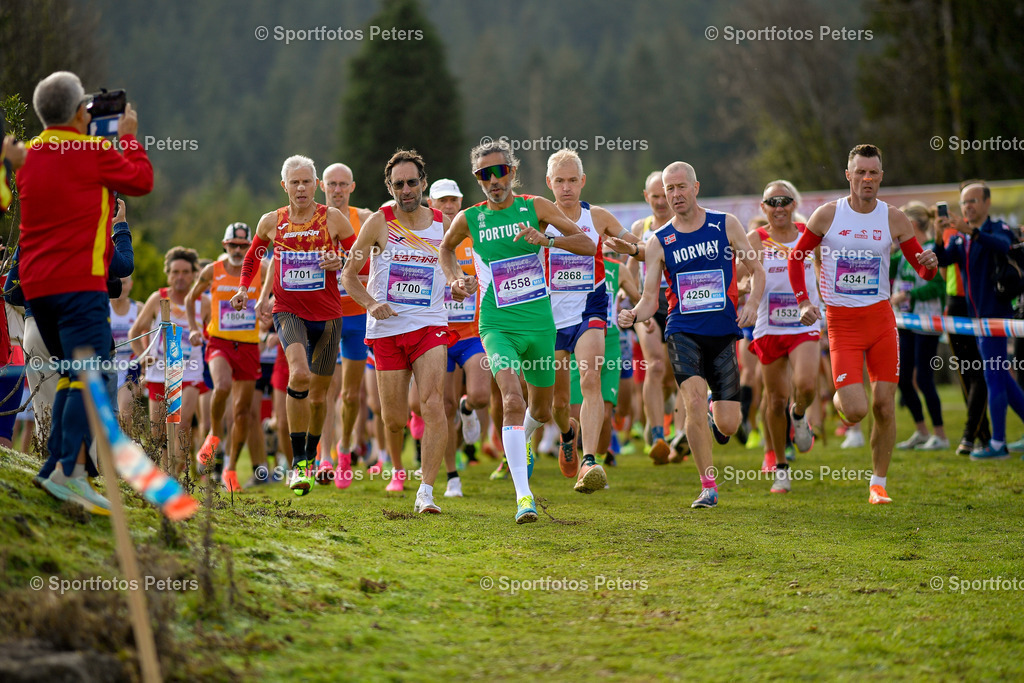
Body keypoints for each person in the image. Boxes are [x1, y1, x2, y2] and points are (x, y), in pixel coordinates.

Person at [17, 71, 152, 513]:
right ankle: (65, 473)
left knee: (73, 376)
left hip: (37, 287)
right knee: (89, 374)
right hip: (79, 284)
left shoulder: (28, 154)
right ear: (81, 112)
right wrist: (127, 137)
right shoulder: (93, 152)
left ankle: (63, 469)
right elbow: (141, 180)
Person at [440, 140, 595, 523]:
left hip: (540, 325)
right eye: (485, 174)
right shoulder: (470, 218)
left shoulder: (536, 207)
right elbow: (446, 250)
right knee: (512, 399)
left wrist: (548, 240)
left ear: (512, 172)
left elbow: (588, 244)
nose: (494, 180)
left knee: (541, 410)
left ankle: (541, 435)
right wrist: (456, 278)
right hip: (497, 324)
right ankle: (524, 496)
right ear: (478, 179)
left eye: (500, 171)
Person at [788, 144, 938, 504]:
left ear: (881, 177)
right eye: (860, 172)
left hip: (881, 320)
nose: (867, 179)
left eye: (873, 173)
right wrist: (803, 301)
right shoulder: (828, 215)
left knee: (884, 405)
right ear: (848, 175)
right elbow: (796, 257)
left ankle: (878, 483)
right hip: (843, 324)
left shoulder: (894, 218)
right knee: (855, 411)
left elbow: (921, 269)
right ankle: (825, 403)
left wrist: (930, 265)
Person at [620, 161, 765, 509]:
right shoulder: (659, 240)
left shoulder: (725, 224)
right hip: (682, 330)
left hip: (722, 331)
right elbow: (649, 298)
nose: (675, 194)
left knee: (729, 424)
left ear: (695, 187)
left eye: (681, 186)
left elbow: (757, 270)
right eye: (669, 189)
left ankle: (718, 414)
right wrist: (633, 314)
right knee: (694, 403)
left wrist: (753, 304)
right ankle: (708, 486)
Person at [234, 155, 355, 495]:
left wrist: (340, 260)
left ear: (316, 185)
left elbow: (361, 256)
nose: (300, 188)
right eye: (294, 182)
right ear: (284, 185)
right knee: (299, 375)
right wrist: (244, 288)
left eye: (306, 182)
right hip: (288, 312)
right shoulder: (272, 221)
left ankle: (312, 455)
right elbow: (253, 256)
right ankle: (298, 463)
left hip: (328, 316)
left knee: (318, 398)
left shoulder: (333, 218)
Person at [341, 150, 450, 514]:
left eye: (412, 182)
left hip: (430, 324)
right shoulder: (378, 222)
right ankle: (404, 443)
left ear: (424, 183)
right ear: (390, 187)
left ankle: (427, 492)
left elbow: (456, 266)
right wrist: (371, 303)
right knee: (393, 419)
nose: (406, 190)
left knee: (434, 403)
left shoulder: (443, 223)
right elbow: (348, 276)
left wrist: (460, 282)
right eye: (399, 184)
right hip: (387, 329)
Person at [543, 150, 641, 492]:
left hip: (591, 309)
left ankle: (589, 461)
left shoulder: (597, 217)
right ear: (549, 183)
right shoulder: (541, 218)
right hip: (552, 316)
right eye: (560, 181)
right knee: (557, 403)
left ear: (583, 181)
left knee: (590, 378)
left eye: (573, 180)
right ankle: (566, 434)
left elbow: (642, 248)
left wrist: (630, 249)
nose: (567, 188)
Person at [935, 181, 1024, 460]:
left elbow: (1005, 246)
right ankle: (999, 442)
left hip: (996, 317)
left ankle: (998, 444)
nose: (967, 206)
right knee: (1003, 380)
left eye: (973, 200)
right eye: (964, 202)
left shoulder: (997, 228)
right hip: (977, 319)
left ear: (987, 202)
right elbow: (942, 259)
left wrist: (972, 232)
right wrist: (938, 236)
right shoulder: (959, 238)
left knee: (994, 378)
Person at [746, 180, 820, 494]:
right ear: (763, 207)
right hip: (770, 326)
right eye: (772, 202)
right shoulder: (755, 239)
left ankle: (799, 415)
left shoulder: (810, 234)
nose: (779, 208)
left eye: (784, 201)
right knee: (775, 399)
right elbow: (739, 275)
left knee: (806, 385)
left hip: (804, 322)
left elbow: (825, 268)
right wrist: (743, 287)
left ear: (794, 204)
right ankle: (780, 467)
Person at [187, 223, 268, 492]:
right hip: (219, 342)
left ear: (250, 248)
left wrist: (268, 315)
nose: (237, 250)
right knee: (221, 386)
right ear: (225, 245)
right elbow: (190, 299)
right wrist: (194, 328)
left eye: (243, 246)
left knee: (243, 412)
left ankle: (230, 469)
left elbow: (277, 294)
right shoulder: (213, 270)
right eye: (233, 245)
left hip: (249, 345)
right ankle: (214, 434)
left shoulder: (262, 269)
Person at [430, 178, 486, 498]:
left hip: (471, 332)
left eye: (453, 200)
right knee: (444, 406)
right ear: (431, 204)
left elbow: (488, 274)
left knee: (480, 396)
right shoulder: (426, 237)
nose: (448, 206)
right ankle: (452, 477)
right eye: (442, 201)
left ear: (461, 202)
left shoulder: (474, 236)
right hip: (438, 334)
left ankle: (469, 409)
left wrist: (475, 284)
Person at [318, 163, 373, 487]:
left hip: (356, 316)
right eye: (331, 184)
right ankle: (324, 456)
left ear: (352, 187)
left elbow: (378, 259)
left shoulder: (364, 219)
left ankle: (345, 447)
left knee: (351, 395)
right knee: (325, 388)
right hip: (324, 314)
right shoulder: (312, 221)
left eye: (342, 184)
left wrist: (346, 263)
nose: (337, 190)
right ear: (322, 186)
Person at [131, 247, 207, 474]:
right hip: (159, 372)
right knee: (159, 432)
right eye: (175, 272)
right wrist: (144, 357)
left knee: (182, 426)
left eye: (185, 272)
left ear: (194, 275)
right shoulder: (158, 298)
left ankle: (175, 477)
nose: (180, 277)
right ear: (168, 275)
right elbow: (135, 331)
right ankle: (164, 474)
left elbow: (216, 334)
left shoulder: (203, 302)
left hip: (191, 371)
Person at [891, 202, 947, 451]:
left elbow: (938, 287)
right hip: (905, 321)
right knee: (903, 380)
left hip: (927, 322)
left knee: (924, 379)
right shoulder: (902, 252)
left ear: (911, 224)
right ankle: (921, 431)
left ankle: (940, 435)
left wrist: (909, 295)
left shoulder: (933, 250)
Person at [628, 172, 674, 463]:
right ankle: (658, 434)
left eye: (664, 196)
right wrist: (637, 304)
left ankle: (675, 424)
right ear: (646, 197)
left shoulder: (683, 224)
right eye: (654, 196)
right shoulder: (640, 227)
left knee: (674, 374)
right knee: (655, 365)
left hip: (678, 303)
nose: (660, 202)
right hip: (650, 303)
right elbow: (631, 270)